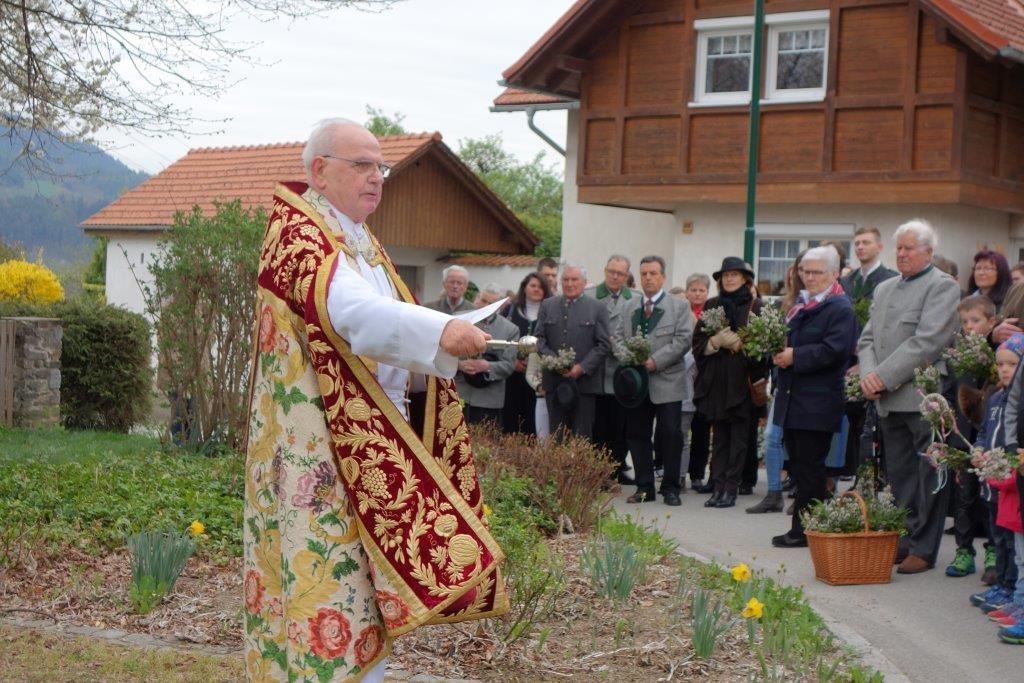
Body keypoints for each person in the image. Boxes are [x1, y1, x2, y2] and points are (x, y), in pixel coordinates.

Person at [243, 118, 505, 682]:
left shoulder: (358, 239)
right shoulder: (300, 237)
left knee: (366, 594)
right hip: (319, 453)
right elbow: (355, 316)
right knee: (330, 589)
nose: (377, 177)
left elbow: (381, 332)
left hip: (364, 445)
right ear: (320, 171)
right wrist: (440, 331)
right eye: (362, 165)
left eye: (381, 167)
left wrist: (434, 352)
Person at [859, 218, 961, 574]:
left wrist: (882, 377)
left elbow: (928, 342)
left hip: (921, 398)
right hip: (887, 398)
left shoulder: (942, 286)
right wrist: (869, 376)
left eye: (909, 248)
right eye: (898, 248)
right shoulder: (885, 288)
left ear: (929, 252)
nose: (901, 254)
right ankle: (901, 538)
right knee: (900, 476)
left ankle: (924, 548)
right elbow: (867, 339)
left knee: (930, 475)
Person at [769, 246, 858, 547]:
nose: (809, 277)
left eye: (817, 272)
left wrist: (795, 356)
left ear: (834, 274)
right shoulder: (802, 304)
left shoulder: (839, 307)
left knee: (810, 469)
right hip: (794, 399)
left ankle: (804, 531)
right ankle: (805, 528)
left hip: (817, 402)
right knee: (799, 466)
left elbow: (836, 351)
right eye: (806, 272)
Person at [693, 257, 768, 509]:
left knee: (739, 439)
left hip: (742, 384)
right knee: (720, 438)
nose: (729, 279)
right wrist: (714, 343)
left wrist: (741, 345)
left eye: (734, 274)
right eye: (726, 275)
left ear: (745, 279)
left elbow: (766, 350)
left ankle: (731, 488)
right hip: (716, 383)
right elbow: (697, 343)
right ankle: (718, 487)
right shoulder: (712, 305)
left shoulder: (756, 306)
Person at [621, 256, 694, 506]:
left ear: (663, 276)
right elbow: (618, 337)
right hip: (637, 385)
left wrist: (655, 361)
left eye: (653, 273)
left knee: (670, 434)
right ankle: (644, 487)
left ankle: (671, 488)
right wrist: (629, 357)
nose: (648, 278)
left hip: (668, 381)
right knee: (637, 433)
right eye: (644, 274)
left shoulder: (679, 306)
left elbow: (683, 340)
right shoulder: (629, 306)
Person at [965, 334, 1024, 623]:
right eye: (1000, 364)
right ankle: (1003, 584)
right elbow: (984, 433)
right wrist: (978, 450)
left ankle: (1013, 589)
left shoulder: (1018, 400)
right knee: (997, 536)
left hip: (1012, 483)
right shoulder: (995, 398)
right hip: (992, 482)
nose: (1004, 370)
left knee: (1013, 542)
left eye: (1012, 364)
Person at [946, 295, 999, 580]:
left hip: (989, 438)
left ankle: (993, 550)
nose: (969, 327)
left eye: (975, 321)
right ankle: (964, 550)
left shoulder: (998, 355)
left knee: (990, 495)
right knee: (964, 496)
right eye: (965, 322)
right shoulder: (958, 356)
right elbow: (950, 392)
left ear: (992, 323)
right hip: (963, 437)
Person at [535, 264, 610, 438]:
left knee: (581, 437)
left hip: (584, 384)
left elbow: (604, 344)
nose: (569, 284)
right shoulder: (548, 305)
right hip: (554, 382)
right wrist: (555, 362)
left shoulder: (597, 307)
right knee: (557, 436)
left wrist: (582, 368)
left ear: (584, 282)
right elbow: (539, 339)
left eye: (574, 279)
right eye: (565, 280)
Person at [586, 255, 635, 483]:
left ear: (626, 276)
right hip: (594, 370)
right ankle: (597, 472)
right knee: (597, 425)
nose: (615, 276)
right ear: (605, 271)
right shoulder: (589, 296)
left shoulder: (635, 299)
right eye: (611, 271)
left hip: (620, 372)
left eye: (620, 273)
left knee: (621, 425)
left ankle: (617, 468)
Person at [455, 284, 520, 426]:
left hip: (489, 401)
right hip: (460, 395)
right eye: (483, 300)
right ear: (477, 299)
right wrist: (459, 365)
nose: (486, 306)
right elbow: (445, 354)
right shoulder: (459, 320)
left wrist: (487, 366)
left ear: (500, 306)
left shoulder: (511, 329)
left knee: (485, 439)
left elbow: (509, 365)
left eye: (491, 303)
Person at [502, 272, 551, 435]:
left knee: (534, 422)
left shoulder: (551, 311)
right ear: (524, 288)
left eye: (540, 287)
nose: (536, 289)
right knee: (511, 418)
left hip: (538, 377)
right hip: (512, 375)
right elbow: (502, 338)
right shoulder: (510, 311)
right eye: (533, 286)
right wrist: (512, 361)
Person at [682, 274, 713, 492]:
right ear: (687, 292)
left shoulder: (712, 315)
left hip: (705, 379)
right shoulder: (681, 312)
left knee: (701, 430)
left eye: (701, 290)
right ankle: (678, 473)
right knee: (681, 430)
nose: (697, 294)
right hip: (683, 377)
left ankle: (697, 475)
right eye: (693, 290)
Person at [840, 226, 898, 299]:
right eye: (857, 244)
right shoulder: (847, 280)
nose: (860, 247)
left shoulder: (892, 279)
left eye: (866, 243)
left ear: (879, 247)